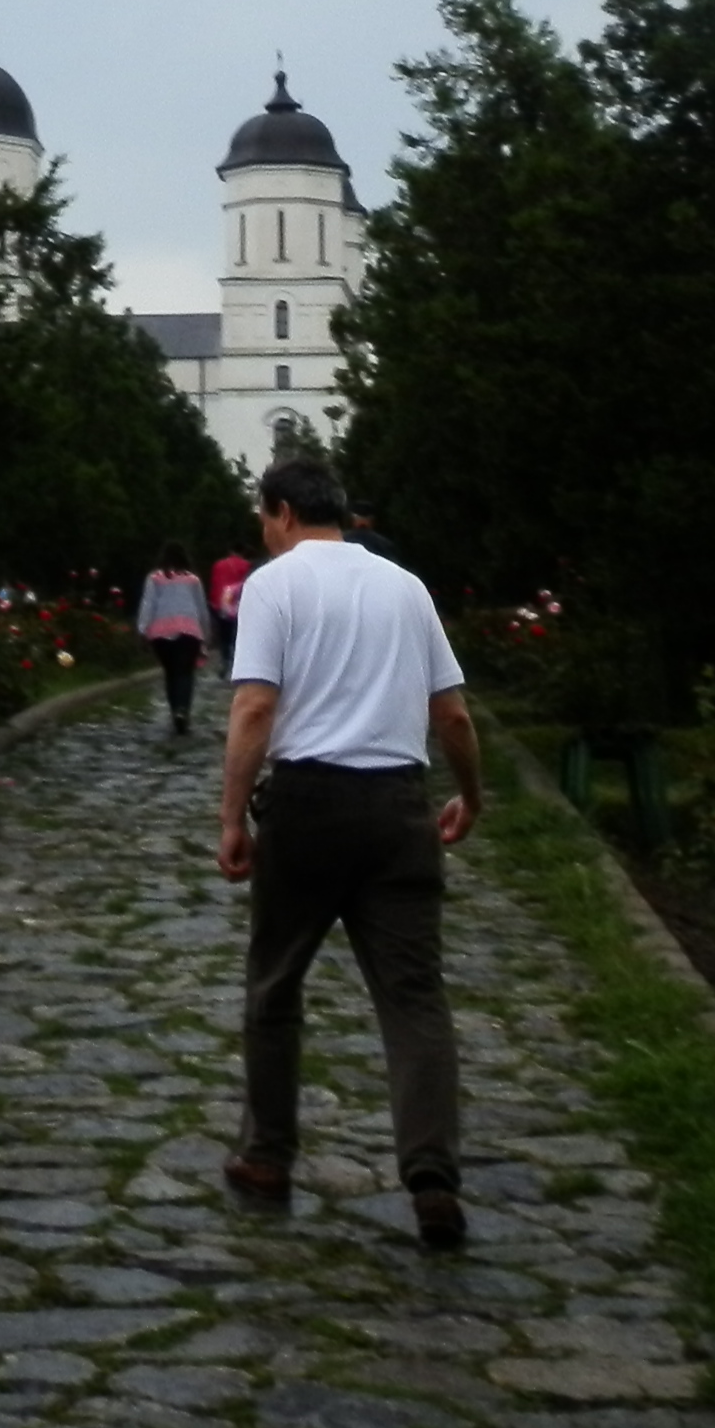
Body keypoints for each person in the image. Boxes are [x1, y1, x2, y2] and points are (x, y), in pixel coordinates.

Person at [214, 450, 482, 1248]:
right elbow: (453, 715)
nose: (264, 534)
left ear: (283, 513)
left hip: (305, 807)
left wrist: (231, 818)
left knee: (275, 984)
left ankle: (268, 1156)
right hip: (399, 808)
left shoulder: (274, 585)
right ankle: (432, 1177)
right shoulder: (406, 588)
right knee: (414, 998)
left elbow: (255, 707)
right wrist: (471, 794)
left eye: (264, 519)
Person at [134, 545, 214, 733]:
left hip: (161, 633)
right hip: (189, 632)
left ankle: (174, 711)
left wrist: (142, 629)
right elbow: (201, 608)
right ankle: (182, 710)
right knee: (185, 672)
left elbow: (148, 604)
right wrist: (206, 633)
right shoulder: (193, 580)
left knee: (170, 673)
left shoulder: (154, 578)